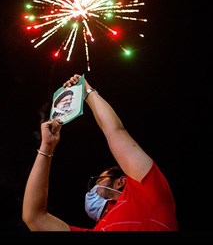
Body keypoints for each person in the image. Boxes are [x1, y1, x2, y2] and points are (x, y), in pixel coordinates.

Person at [22, 74, 178, 231]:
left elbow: (115, 132)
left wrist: (87, 91)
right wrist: (46, 147)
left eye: (98, 181)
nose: (91, 192)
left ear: (121, 182)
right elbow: (34, 218)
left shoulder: (149, 194)